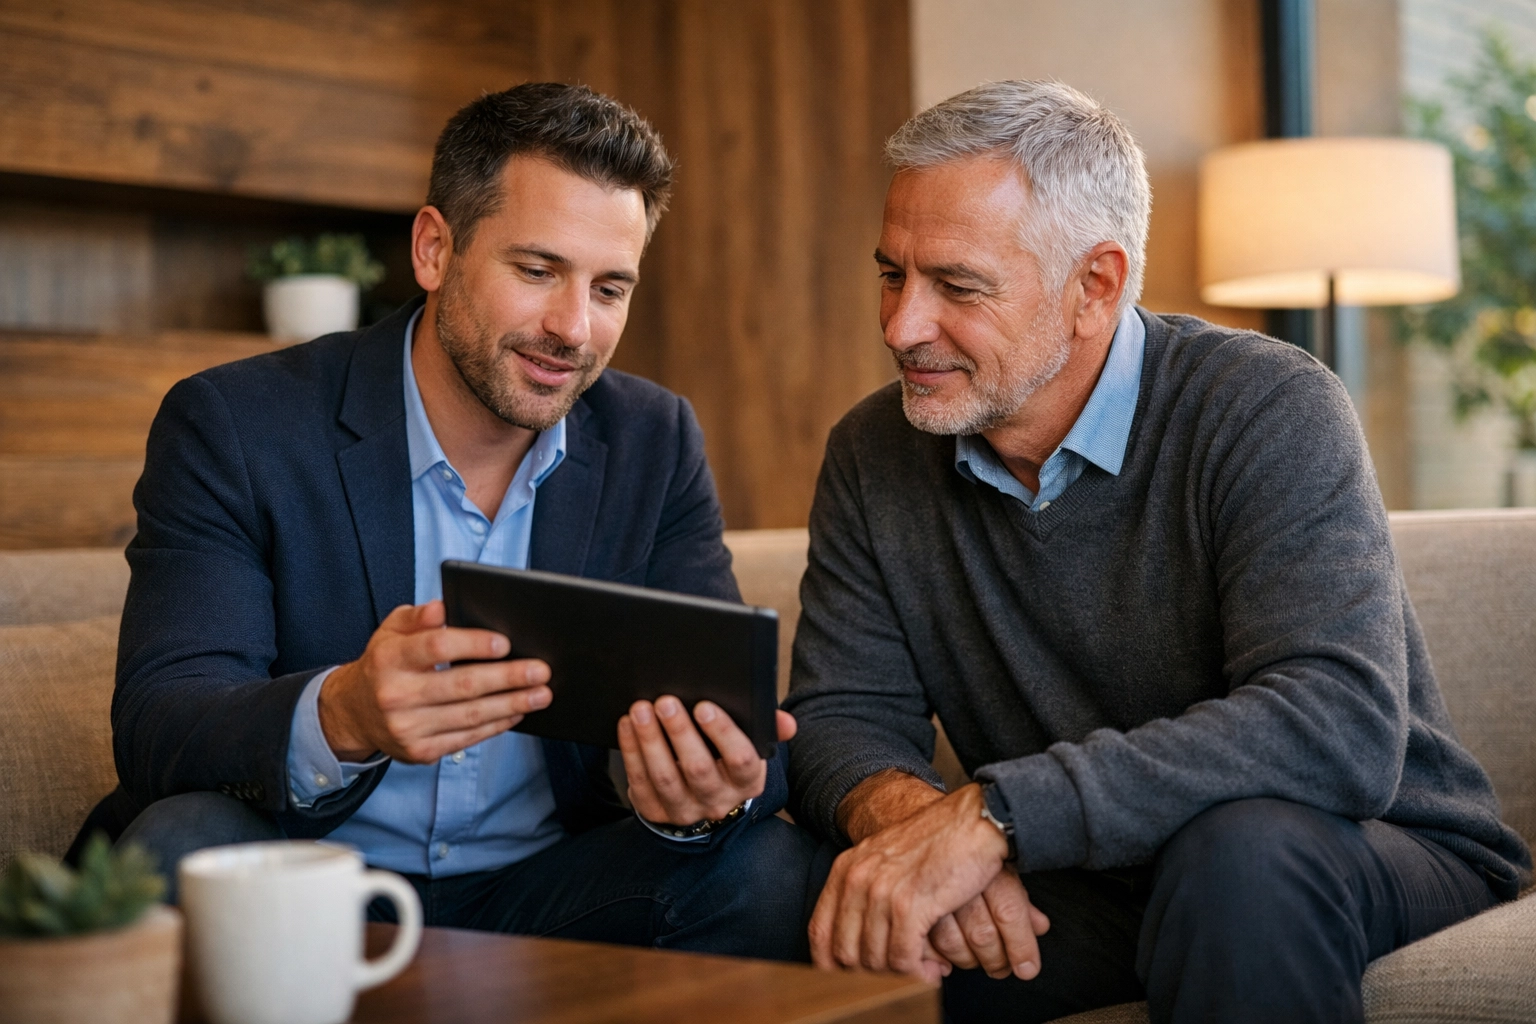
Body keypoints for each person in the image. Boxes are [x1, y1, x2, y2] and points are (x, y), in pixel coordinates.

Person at [783, 80, 1532, 1023]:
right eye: (892, 274)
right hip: (1091, 874)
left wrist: (996, 817)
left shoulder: (1264, 406)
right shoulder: (874, 451)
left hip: (1359, 846)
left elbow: (1334, 724)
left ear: (1095, 284)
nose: (902, 327)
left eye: (957, 287)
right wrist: (912, 834)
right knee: (784, 890)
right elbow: (839, 714)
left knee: (1237, 857)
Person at [78, 82, 816, 960]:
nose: (573, 328)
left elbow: (737, 732)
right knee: (180, 846)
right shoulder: (234, 426)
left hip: (544, 890)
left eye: (610, 287)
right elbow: (163, 723)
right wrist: (344, 715)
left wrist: (696, 789)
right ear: (435, 249)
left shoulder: (654, 440)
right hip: (313, 875)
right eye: (536, 271)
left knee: (768, 871)